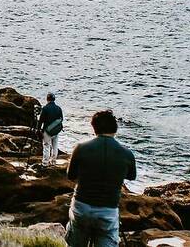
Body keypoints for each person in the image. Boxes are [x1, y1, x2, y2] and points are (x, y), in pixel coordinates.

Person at [66, 110, 137, 247]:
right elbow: (131, 176)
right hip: (108, 210)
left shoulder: (80, 148)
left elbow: (70, 175)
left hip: (82, 207)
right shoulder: (127, 154)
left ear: (94, 127)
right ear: (115, 128)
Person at [37, 92, 64, 167]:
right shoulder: (59, 108)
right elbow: (61, 119)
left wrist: (38, 129)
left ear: (47, 99)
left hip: (47, 131)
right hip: (56, 130)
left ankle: (45, 163)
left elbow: (41, 120)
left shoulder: (45, 108)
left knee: (46, 146)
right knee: (55, 146)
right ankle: (53, 161)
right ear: (54, 99)